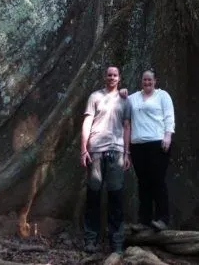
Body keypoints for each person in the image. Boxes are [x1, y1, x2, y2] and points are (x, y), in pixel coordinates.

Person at [80, 65, 131, 255]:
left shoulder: (126, 100)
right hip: (95, 152)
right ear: (105, 77)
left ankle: (116, 242)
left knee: (116, 198)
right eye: (109, 75)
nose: (112, 77)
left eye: (115, 75)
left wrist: (127, 153)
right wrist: (83, 149)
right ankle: (90, 240)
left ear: (119, 78)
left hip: (117, 151)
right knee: (93, 196)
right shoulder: (95, 97)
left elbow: (127, 127)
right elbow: (87, 122)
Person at [128, 69, 175, 231]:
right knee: (143, 183)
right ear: (141, 81)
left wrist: (168, 136)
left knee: (158, 181)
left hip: (158, 144)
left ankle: (162, 219)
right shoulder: (133, 98)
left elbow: (169, 116)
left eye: (150, 80)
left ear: (155, 81)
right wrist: (121, 93)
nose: (147, 82)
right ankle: (144, 220)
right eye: (144, 80)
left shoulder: (162, 96)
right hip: (137, 146)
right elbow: (122, 107)